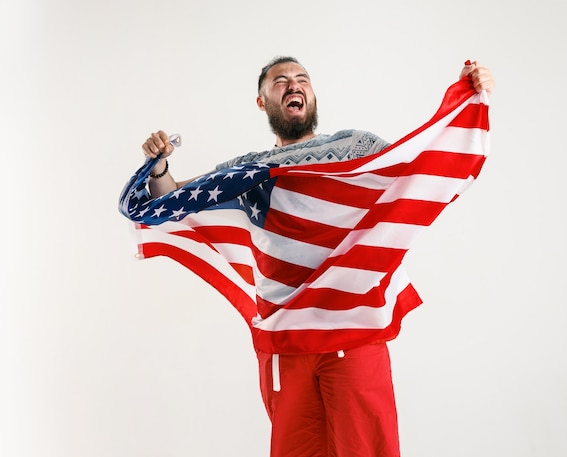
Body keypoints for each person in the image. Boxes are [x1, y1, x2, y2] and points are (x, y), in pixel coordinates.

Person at [138, 57, 495, 457]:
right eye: (280, 81)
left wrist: (467, 99)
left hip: (353, 332)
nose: (293, 85)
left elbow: (416, 162)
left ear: (311, 93)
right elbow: (173, 200)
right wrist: (159, 166)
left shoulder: (355, 147)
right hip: (287, 343)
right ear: (261, 102)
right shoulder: (246, 171)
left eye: (301, 79)